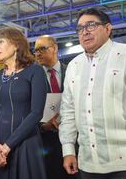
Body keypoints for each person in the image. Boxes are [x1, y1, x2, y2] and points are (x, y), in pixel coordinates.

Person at [59, 7, 126, 179]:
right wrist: (68, 150)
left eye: (91, 25)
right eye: (80, 29)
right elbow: (68, 111)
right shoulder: (74, 66)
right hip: (88, 163)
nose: (84, 32)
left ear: (108, 29)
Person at [0, 27, 47, 179]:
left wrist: (7, 146)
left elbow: (36, 113)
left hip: (24, 145)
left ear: (16, 44)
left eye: (1, 42)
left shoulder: (35, 71)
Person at [34, 35, 78, 179]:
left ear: (55, 48)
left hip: (74, 140)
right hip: (45, 142)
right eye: (35, 50)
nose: (38, 53)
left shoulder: (73, 71)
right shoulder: (32, 76)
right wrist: (42, 126)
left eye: (42, 49)